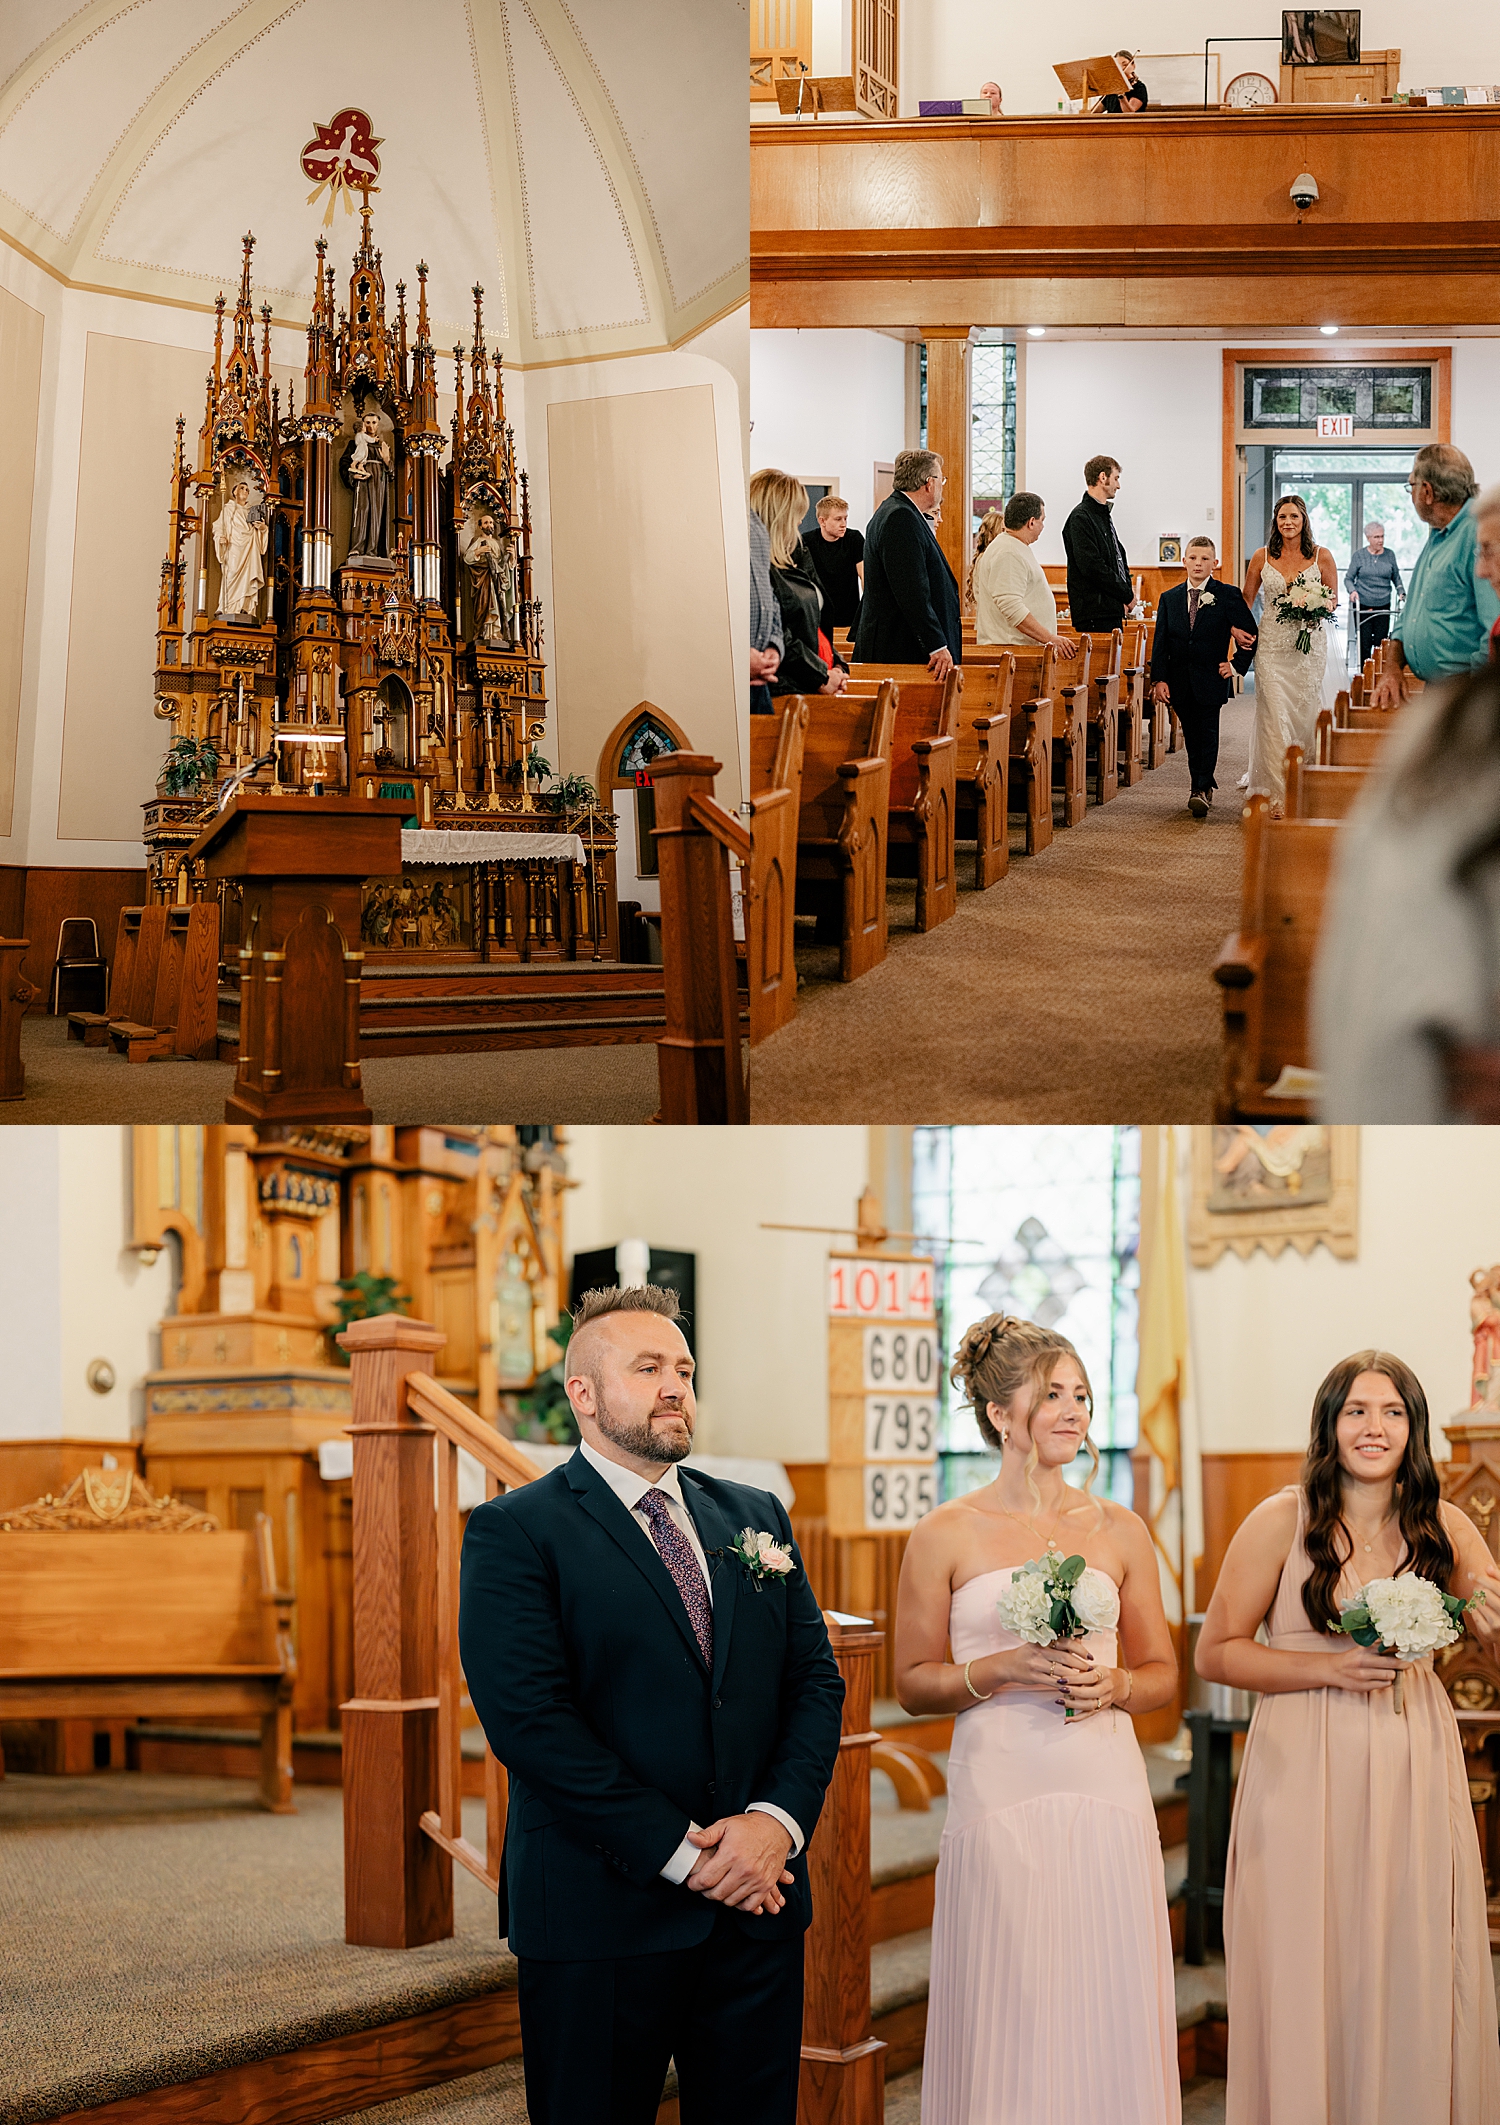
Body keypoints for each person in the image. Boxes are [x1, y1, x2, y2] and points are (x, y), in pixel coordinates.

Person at [458, 1284, 845, 2125]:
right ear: (584, 1394)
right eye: (648, 1368)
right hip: (602, 1911)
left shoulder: (754, 1513)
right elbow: (531, 1722)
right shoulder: (516, 1530)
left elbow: (815, 1680)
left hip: (756, 1902)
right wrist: (688, 1855)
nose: (676, 1386)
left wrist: (774, 1823)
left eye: (684, 1369)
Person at [1197, 1351, 1500, 2125]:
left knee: (1404, 1954)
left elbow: (1489, 1630)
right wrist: (1330, 1668)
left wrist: (1490, 1618)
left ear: (1413, 1426)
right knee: (1308, 1950)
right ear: (1329, 1423)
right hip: (1302, 1761)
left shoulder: (1445, 1524)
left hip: (1411, 1764)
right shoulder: (1282, 1519)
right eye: (1357, 1410)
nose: (1375, 1427)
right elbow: (1216, 1652)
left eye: (1392, 1411)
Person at [895, 1314, 1181, 2125]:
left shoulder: (1120, 1528)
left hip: (1104, 1784)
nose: (1073, 1410)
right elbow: (911, 1683)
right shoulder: (945, 1531)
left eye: (1081, 1394)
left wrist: (1116, 1682)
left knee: (1104, 1986)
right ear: (999, 1413)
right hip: (1001, 1785)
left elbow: (1163, 1673)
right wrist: (999, 1669)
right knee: (1012, 1989)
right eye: (1051, 1393)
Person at [1370, 445, 1500, 706]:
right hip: (1439, 692)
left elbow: (1493, 627)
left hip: (1463, 696)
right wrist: (1392, 667)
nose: (1411, 494)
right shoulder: (1439, 533)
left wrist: (1470, 699)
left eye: (1412, 486)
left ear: (1427, 491)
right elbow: (1411, 614)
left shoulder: (1477, 531)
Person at [1242, 494, 1338, 817]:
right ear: (1276, 521)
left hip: (1308, 647)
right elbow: (1246, 599)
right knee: (1273, 714)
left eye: (1294, 516)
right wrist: (1237, 631)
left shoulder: (1322, 556)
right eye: (1282, 517)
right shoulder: (1262, 556)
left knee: (1304, 712)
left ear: (1304, 520)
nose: (1288, 522)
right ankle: (1278, 793)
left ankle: (1304, 783)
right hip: (1271, 646)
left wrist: (1315, 604)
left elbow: (1332, 600)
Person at [1149, 536, 1258, 816]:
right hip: (1179, 680)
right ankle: (1202, 783)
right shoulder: (1169, 598)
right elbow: (1160, 643)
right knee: (1192, 735)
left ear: (1215, 563)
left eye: (1205, 559)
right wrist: (1159, 679)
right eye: (1193, 558)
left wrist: (1235, 666)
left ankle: (1199, 789)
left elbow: (1251, 635)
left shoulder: (1227, 595)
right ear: (1184, 561)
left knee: (1207, 732)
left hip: (1211, 678)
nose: (1198, 563)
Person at [854, 449, 962, 678]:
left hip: (900, 644)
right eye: (941, 480)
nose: (942, 486)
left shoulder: (896, 511)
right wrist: (936, 644)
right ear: (929, 483)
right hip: (902, 649)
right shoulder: (900, 518)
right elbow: (911, 589)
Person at [749, 468, 847, 698]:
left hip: (814, 677)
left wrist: (837, 665)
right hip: (787, 686)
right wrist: (820, 676)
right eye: (796, 514)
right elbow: (783, 633)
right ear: (778, 515)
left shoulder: (795, 555)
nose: (801, 521)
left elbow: (813, 624)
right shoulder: (759, 568)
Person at [971, 491, 1080, 666]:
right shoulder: (1008, 552)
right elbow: (1010, 606)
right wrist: (1049, 638)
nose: (1043, 526)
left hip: (1018, 650)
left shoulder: (1013, 546)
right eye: (1042, 520)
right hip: (1012, 653)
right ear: (1031, 522)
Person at [1063, 456, 1133, 634]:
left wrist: (1125, 596)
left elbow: (1117, 557)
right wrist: (1126, 595)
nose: (1118, 485)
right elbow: (1092, 567)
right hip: (1095, 613)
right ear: (1103, 477)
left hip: (1109, 609)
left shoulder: (1101, 515)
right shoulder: (1081, 517)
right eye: (1116, 478)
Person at [801, 493, 864, 643]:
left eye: (845, 518)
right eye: (838, 519)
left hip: (849, 618)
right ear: (822, 521)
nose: (843, 524)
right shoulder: (807, 541)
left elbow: (865, 575)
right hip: (818, 617)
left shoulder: (854, 539)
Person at [1344, 520, 1403, 664]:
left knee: (1380, 643)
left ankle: (1378, 674)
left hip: (1383, 604)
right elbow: (1348, 579)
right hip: (1363, 604)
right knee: (1364, 642)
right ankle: (1364, 673)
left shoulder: (1389, 555)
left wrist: (1401, 592)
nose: (1380, 540)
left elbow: (1396, 577)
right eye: (1376, 537)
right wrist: (1352, 591)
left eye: (1382, 536)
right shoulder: (1359, 556)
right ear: (1368, 538)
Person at [749, 506, 782, 715]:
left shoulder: (754, 522)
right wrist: (736, 656)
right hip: (717, 678)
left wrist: (774, 646)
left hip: (761, 680)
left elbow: (769, 596)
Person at [918, 81, 1003, 116]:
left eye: (993, 93)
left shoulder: (1005, 121)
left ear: (1000, 100)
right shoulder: (972, 117)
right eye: (985, 92)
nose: (988, 95)